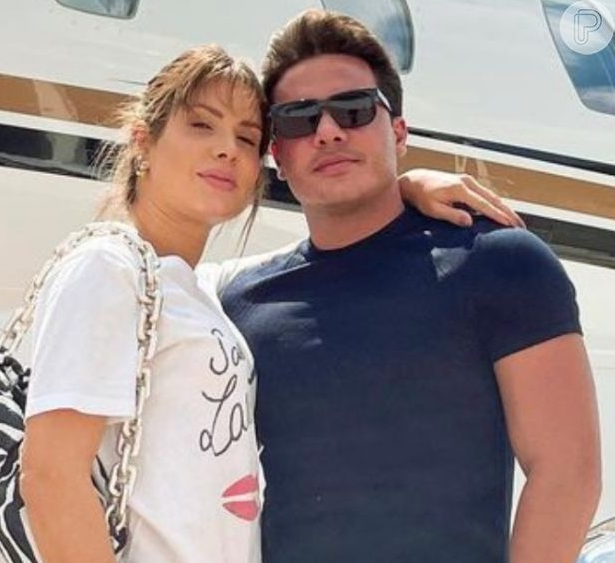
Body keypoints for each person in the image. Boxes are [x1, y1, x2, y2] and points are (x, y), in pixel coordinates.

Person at [17, 43, 516, 563]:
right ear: (143, 141)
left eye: (247, 138)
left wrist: (399, 186)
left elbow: (322, 258)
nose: (227, 150)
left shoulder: (199, 290)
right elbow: (51, 476)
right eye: (201, 125)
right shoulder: (108, 268)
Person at [219, 10, 602, 563]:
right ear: (277, 155)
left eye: (353, 109)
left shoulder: (499, 264)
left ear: (399, 132)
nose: (328, 131)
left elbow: (567, 471)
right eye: (299, 120)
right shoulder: (239, 307)